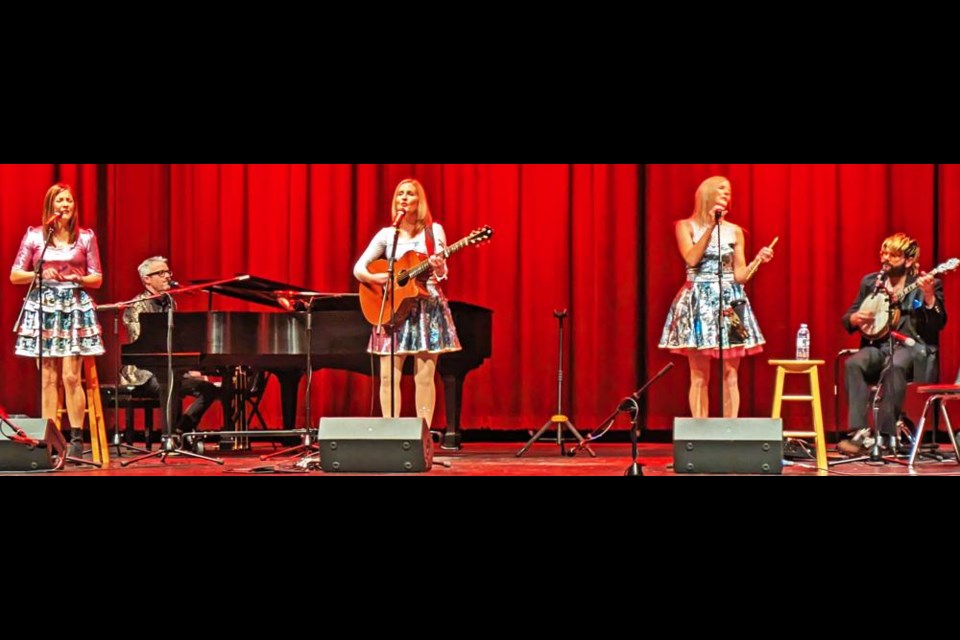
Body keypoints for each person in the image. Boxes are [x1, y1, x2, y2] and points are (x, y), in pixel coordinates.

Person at [658, 176, 774, 418]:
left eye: (729, 191)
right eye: (722, 189)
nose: (727, 194)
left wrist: (758, 261)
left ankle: (729, 431)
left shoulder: (735, 232)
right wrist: (711, 227)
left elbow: (740, 276)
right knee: (699, 374)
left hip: (730, 301)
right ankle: (701, 433)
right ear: (707, 193)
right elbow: (691, 259)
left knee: (731, 373)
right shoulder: (685, 226)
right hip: (698, 300)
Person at [353, 178, 461, 428]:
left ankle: (422, 435)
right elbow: (359, 268)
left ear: (419, 201)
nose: (403, 198)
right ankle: (390, 433)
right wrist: (375, 278)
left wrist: (440, 264)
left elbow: (443, 273)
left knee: (424, 376)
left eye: (410, 194)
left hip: (427, 305)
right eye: (400, 193)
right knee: (389, 375)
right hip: (392, 306)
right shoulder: (387, 235)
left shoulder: (435, 231)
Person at [10, 183, 105, 458]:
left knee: (71, 376)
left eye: (69, 201)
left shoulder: (85, 238)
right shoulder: (35, 237)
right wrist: (42, 275)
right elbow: (16, 275)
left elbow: (97, 278)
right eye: (60, 201)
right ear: (50, 206)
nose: (65, 205)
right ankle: (50, 438)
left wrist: (78, 278)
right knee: (49, 377)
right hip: (44, 307)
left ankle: (77, 438)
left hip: (74, 306)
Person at [840, 233, 946, 453]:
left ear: (908, 261)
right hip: (877, 347)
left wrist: (928, 298)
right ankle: (860, 433)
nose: (885, 259)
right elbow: (848, 316)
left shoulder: (925, 285)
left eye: (893, 255)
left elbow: (938, 322)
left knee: (895, 366)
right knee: (854, 363)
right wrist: (856, 318)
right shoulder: (871, 282)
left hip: (912, 349)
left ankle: (885, 434)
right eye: (884, 253)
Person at [121, 256, 221, 446]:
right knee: (170, 382)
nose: (167, 276)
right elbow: (141, 345)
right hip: (142, 372)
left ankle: (180, 430)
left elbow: (176, 341)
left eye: (168, 272)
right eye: (161, 273)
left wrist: (188, 367)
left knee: (208, 389)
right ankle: (169, 439)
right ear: (147, 279)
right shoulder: (136, 306)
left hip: (170, 369)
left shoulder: (170, 302)